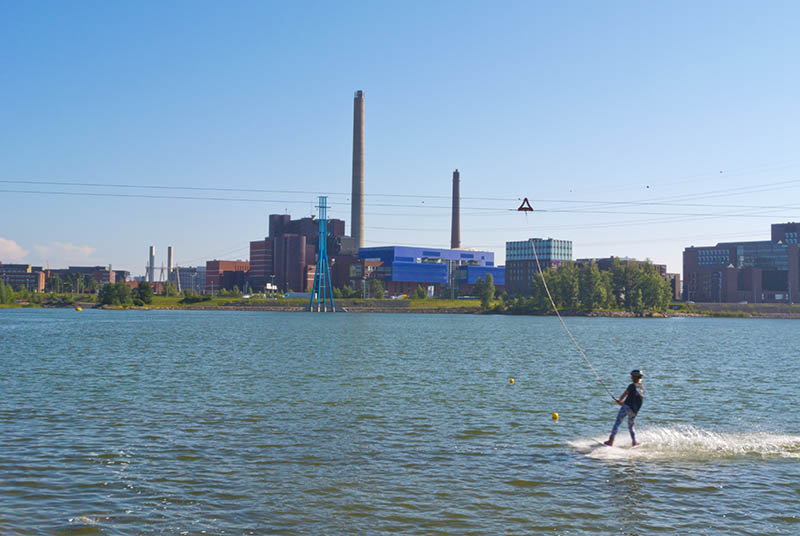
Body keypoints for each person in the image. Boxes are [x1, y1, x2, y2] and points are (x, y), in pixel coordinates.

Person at [604, 369, 644, 446]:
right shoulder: (641, 387)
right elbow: (637, 400)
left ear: (634, 377)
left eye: (632, 376)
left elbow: (624, 395)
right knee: (631, 426)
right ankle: (634, 441)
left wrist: (619, 400)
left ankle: (611, 440)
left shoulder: (631, 386)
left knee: (617, 423)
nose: (631, 378)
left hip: (626, 407)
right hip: (634, 411)